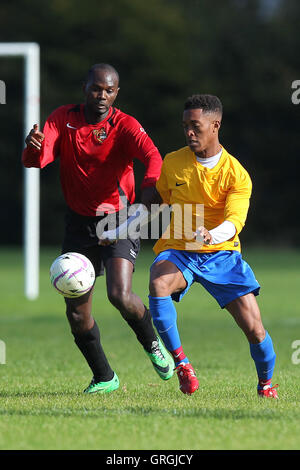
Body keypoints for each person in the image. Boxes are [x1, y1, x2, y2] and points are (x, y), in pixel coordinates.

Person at [22, 63, 174, 394]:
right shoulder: (62, 118)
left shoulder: (125, 125)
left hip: (120, 218)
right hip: (79, 224)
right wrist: (32, 148)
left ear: (116, 93)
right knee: (77, 314)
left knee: (120, 294)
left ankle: (152, 345)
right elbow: (37, 159)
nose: (101, 95)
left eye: (109, 90)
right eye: (96, 88)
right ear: (84, 87)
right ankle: (104, 376)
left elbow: (154, 158)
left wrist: (144, 203)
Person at [148, 94, 278, 398]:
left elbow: (235, 222)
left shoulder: (236, 174)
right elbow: (157, 204)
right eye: (185, 127)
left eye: (195, 126)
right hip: (180, 248)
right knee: (158, 283)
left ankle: (266, 384)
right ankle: (182, 364)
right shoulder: (173, 162)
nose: (189, 132)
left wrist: (211, 236)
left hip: (222, 254)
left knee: (255, 330)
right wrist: (118, 228)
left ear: (215, 125)